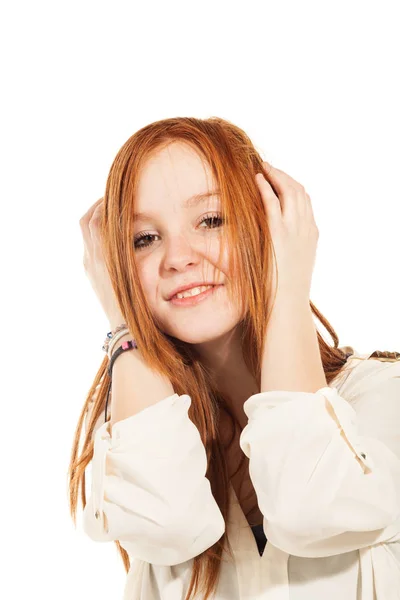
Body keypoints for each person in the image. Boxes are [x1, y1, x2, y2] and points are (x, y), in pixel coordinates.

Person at [68, 117, 400, 600]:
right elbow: (167, 527)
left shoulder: (383, 399)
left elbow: (310, 509)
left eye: (211, 220)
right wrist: (125, 326)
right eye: (144, 239)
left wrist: (286, 285)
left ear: (268, 227)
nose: (177, 257)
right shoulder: (157, 441)